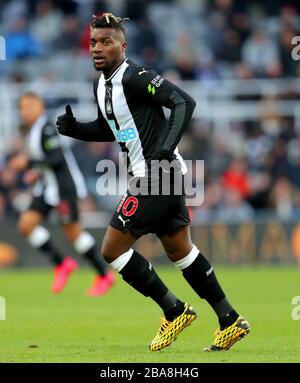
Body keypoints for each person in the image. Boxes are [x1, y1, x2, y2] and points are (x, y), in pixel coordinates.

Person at [56, 12, 250, 352]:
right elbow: (110, 127)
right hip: (162, 176)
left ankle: (174, 311)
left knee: (111, 249)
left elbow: (183, 102)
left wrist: (164, 149)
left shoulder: (135, 76)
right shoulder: (102, 84)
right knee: (180, 251)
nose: (97, 48)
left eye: (106, 42)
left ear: (122, 45)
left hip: (158, 176)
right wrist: (77, 130)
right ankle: (229, 319)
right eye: (92, 42)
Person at [8, 91, 115, 296]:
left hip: (64, 188)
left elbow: (56, 158)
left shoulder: (47, 129)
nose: (25, 112)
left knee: (74, 234)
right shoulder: (33, 131)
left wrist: (28, 163)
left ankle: (104, 274)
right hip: (47, 188)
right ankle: (62, 263)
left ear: (40, 107)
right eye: (22, 108)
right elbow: (47, 161)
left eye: (29, 107)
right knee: (25, 225)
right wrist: (36, 173)